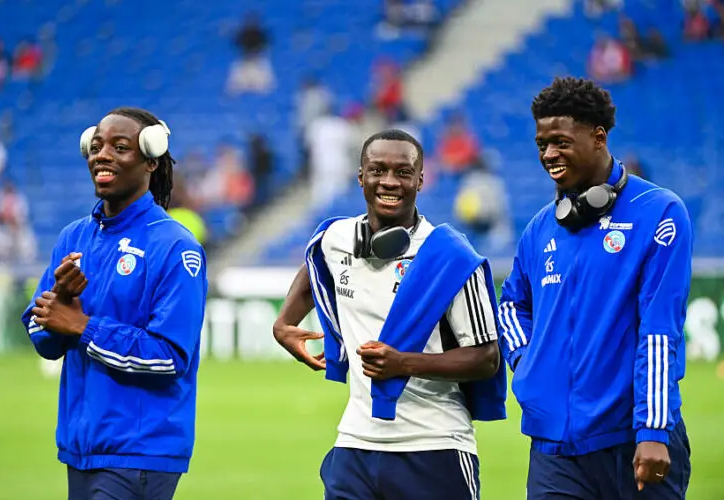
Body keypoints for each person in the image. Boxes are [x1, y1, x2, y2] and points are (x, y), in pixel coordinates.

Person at [273, 129, 507, 500]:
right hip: (355, 445)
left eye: (403, 172)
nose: (390, 182)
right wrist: (284, 323)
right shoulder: (336, 237)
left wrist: (403, 363)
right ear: (360, 175)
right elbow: (315, 261)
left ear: (421, 180)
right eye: (378, 170)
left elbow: (487, 358)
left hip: (434, 446)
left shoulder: (451, 257)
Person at [498, 77, 692, 499]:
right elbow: (511, 305)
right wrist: (531, 362)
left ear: (598, 137)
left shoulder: (660, 213)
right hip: (554, 450)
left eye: (561, 142)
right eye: (541, 144)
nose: (549, 154)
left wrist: (654, 430)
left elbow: (660, 330)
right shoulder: (539, 229)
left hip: (631, 441)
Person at [23, 107, 208, 500]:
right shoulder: (74, 237)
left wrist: (81, 326)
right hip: (81, 450)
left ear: (151, 161)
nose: (102, 155)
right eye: (96, 146)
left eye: (119, 147)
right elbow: (42, 331)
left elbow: (170, 356)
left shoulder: (175, 247)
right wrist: (61, 305)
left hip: (141, 453)